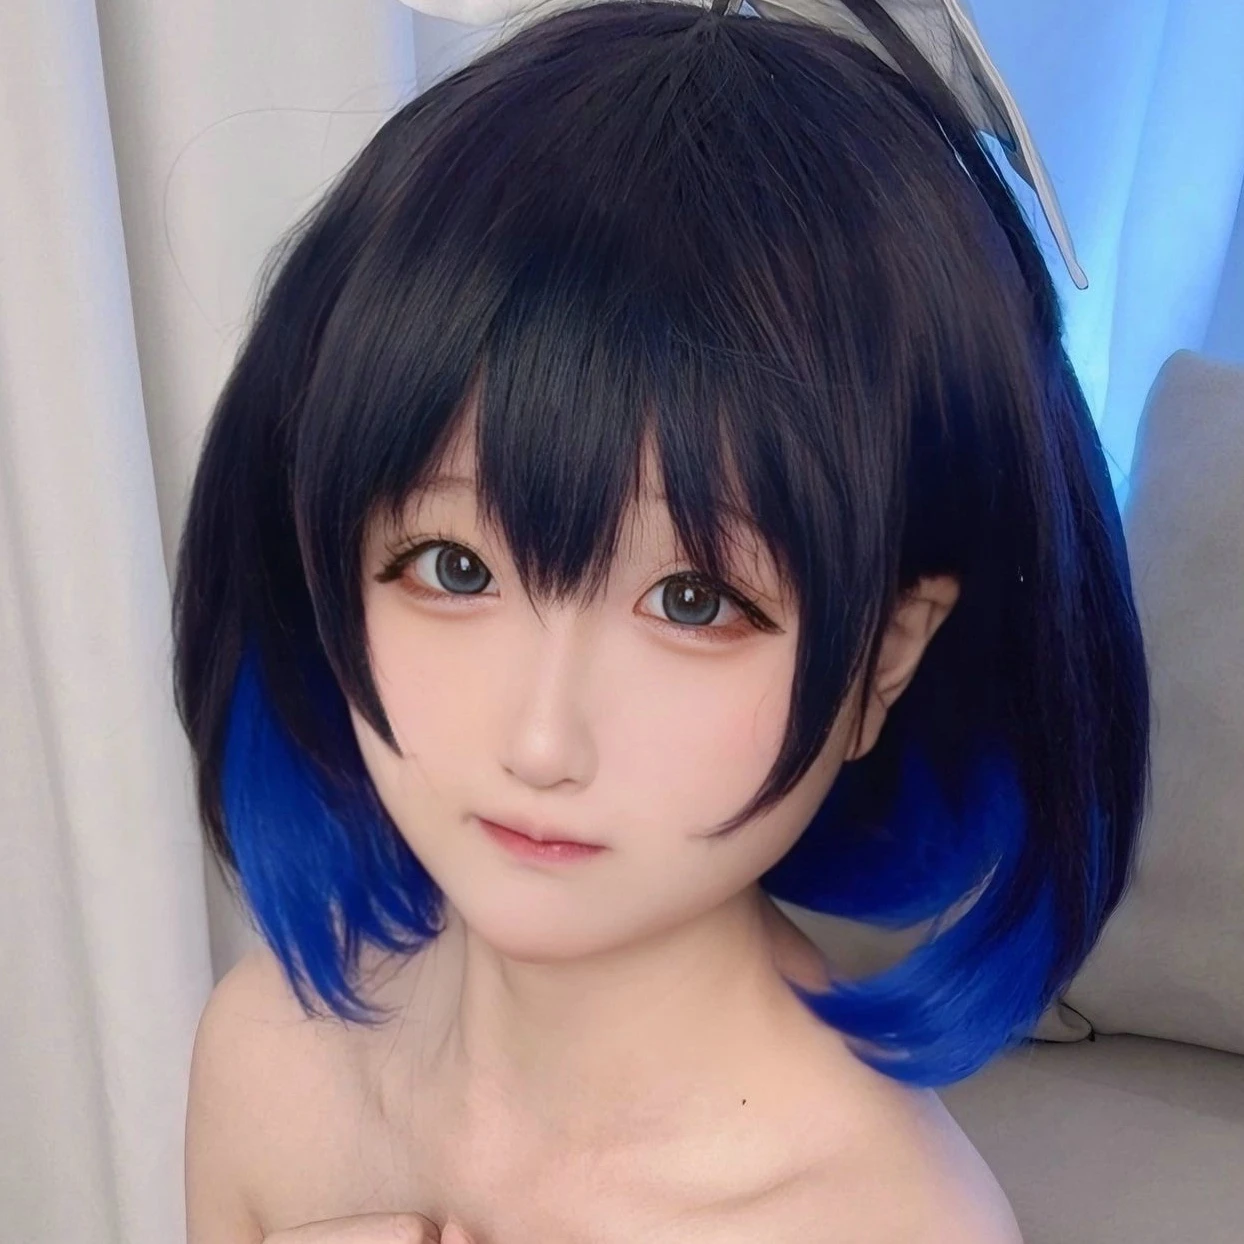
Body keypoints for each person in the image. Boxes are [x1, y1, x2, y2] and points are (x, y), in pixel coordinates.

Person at [177, 2, 1150, 1241]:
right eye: (453, 567)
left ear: (883, 659)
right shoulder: (269, 1060)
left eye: (693, 600)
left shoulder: (891, 1223)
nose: (540, 741)